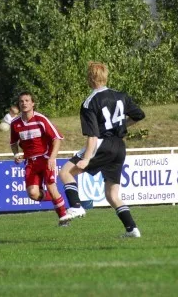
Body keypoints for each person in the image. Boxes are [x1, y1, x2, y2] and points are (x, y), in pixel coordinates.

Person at [59, 62, 146, 238]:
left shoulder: (89, 102)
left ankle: (76, 206)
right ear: (105, 76)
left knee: (65, 172)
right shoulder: (121, 96)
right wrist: (121, 125)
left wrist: (86, 159)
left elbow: (92, 136)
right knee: (112, 194)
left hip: (102, 144)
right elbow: (139, 115)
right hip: (119, 146)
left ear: (90, 78)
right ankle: (132, 229)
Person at [10, 92, 69, 226]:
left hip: (45, 158)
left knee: (51, 187)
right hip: (30, 162)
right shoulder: (15, 124)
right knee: (33, 194)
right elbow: (13, 143)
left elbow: (57, 138)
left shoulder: (41, 119)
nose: (24, 103)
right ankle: (58, 199)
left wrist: (52, 158)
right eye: (21, 101)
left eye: (27, 100)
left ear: (33, 103)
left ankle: (64, 219)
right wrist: (16, 154)